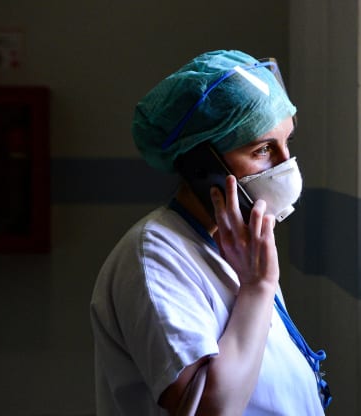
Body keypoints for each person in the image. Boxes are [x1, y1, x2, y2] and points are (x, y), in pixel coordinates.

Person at [90, 50, 330, 415]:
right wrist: (258, 288)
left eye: (287, 143)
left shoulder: (237, 243)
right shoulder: (152, 257)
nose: (287, 166)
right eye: (264, 149)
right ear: (205, 166)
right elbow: (209, 409)